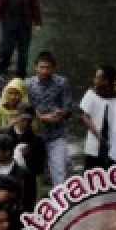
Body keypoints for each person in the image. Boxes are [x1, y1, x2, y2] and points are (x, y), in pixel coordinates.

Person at [25, 52, 74, 187]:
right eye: (42, 67)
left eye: (48, 67)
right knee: (32, 173)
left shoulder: (62, 83)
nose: (45, 70)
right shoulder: (28, 84)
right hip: (35, 136)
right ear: (36, 67)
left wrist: (60, 114)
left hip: (57, 134)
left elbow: (69, 108)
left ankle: (61, 204)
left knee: (59, 172)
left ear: (53, 68)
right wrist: (41, 117)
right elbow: (24, 109)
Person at [78, 65, 116, 172]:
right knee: (90, 175)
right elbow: (85, 116)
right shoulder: (91, 94)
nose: (95, 80)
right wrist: (98, 135)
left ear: (107, 80)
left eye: (98, 77)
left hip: (112, 144)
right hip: (94, 143)